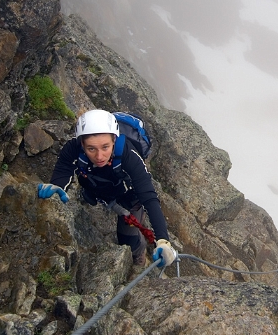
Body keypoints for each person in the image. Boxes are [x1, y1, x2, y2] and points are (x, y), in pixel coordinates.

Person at [37, 109, 176, 268]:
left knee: (127, 240)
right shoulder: (73, 147)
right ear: (81, 143)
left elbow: (149, 198)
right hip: (97, 189)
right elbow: (64, 167)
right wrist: (57, 186)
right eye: (91, 149)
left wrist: (163, 240)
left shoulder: (128, 156)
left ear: (114, 140)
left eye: (105, 147)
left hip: (128, 198)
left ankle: (138, 258)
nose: (99, 156)